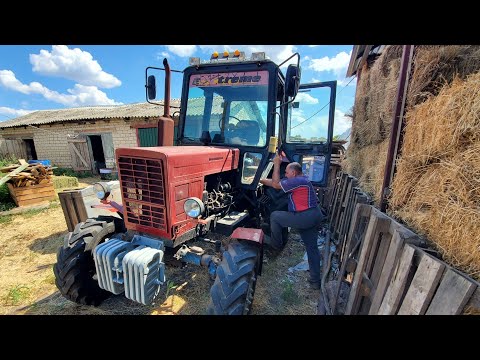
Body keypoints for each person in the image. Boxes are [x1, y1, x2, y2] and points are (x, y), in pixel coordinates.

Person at [259, 153, 324, 290]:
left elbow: (276, 184)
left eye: (287, 172)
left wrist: (277, 164)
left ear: (293, 173)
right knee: (312, 248)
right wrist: (259, 180)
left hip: (305, 216)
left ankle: (276, 244)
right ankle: (315, 281)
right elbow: (273, 183)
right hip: (313, 214)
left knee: (276, 216)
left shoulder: (297, 181)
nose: (285, 174)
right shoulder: (301, 180)